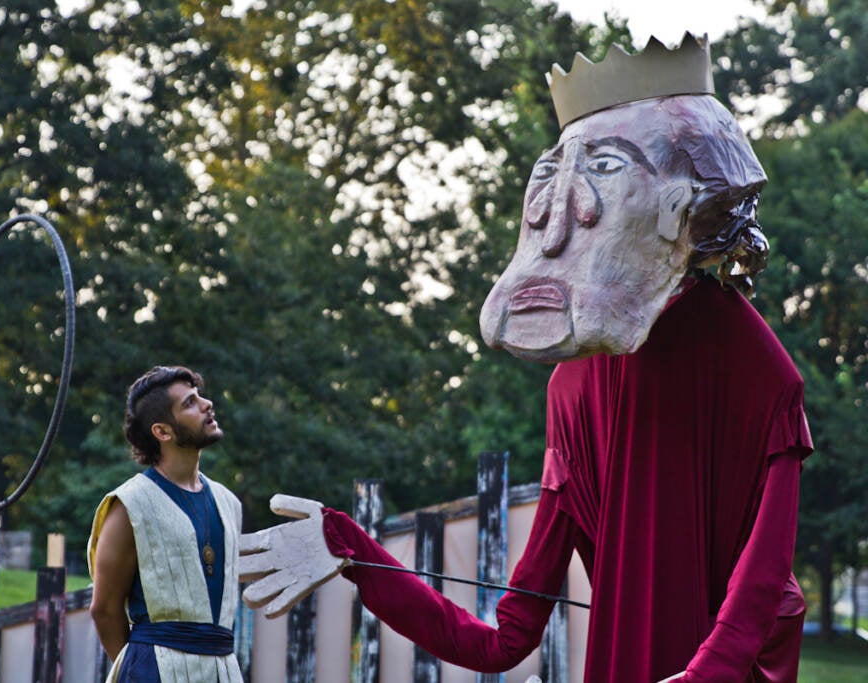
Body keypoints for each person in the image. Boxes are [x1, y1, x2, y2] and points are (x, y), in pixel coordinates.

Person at [240, 34, 813, 682]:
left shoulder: (754, 367)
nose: (564, 207)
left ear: (681, 198)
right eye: (553, 172)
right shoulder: (572, 385)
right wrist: (351, 549)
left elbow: (760, 588)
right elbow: (505, 639)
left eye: (604, 166)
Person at [88, 365, 243, 682]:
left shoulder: (230, 503)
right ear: (162, 431)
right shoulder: (130, 505)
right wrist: (142, 670)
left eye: (199, 396)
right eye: (189, 403)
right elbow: (104, 609)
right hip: (153, 670)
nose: (206, 404)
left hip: (224, 670)